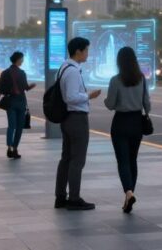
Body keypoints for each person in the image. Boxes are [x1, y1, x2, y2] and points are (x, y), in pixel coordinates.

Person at [55, 37, 101, 211]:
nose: (88, 53)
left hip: (68, 118)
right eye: (86, 50)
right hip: (76, 118)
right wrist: (89, 96)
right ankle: (74, 198)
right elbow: (71, 97)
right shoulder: (73, 71)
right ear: (78, 51)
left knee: (66, 158)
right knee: (77, 160)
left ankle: (60, 197)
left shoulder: (64, 67)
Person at [104, 46, 151, 213]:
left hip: (120, 123)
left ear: (119, 62)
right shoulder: (141, 79)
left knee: (122, 161)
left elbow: (110, 104)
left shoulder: (115, 80)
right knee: (132, 160)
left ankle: (128, 192)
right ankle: (129, 195)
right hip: (137, 122)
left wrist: (109, 101)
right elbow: (148, 105)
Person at [0, 51, 36, 160]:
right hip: (21, 102)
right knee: (19, 127)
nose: (23, 61)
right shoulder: (22, 73)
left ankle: (9, 147)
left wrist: (9, 90)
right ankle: (15, 148)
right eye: (22, 59)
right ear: (18, 59)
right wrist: (31, 86)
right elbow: (25, 88)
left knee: (11, 126)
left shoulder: (5, 73)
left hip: (10, 102)